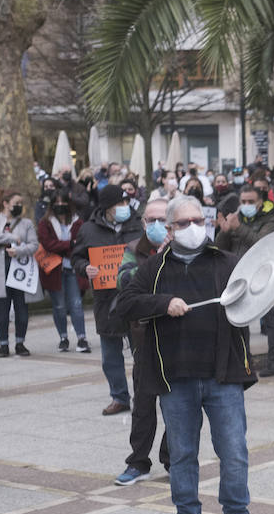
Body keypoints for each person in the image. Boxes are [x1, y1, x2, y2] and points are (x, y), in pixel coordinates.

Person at [115, 195, 257, 514]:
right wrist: (163, 303)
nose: (192, 228)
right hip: (175, 377)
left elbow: (253, 298)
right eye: (183, 223)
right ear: (170, 228)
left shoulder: (227, 262)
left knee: (234, 451)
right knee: (181, 454)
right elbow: (125, 303)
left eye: (198, 221)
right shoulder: (155, 268)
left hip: (222, 375)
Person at [112, 197, 172, 486]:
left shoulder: (186, 248)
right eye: (151, 220)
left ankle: (172, 458)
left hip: (179, 339)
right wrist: (157, 265)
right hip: (144, 339)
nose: (157, 225)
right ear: (143, 223)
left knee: (178, 406)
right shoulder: (134, 249)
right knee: (144, 406)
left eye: (163, 219)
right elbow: (123, 282)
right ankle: (138, 462)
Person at [72, 183, 143, 414]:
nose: (124, 207)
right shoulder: (88, 230)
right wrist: (86, 268)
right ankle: (119, 396)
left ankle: (144, 395)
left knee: (141, 351)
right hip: (105, 298)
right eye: (119, 204)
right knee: (110, 354)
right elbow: (77, 258)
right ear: (107, 208)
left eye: (125, 202)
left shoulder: (138, 223)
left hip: (135, 295)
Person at [214, 185, 274, 375]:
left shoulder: (271, 220)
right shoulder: (237, 219)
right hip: (238, 275)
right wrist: (225, 231)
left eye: (251, 202)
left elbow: (263, 244)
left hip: (261, 276)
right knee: (237, 320)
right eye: (243, 202)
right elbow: (221, 248)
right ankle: (244, 361)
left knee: (268, 319)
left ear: (260, 202)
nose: (246, 205)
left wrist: (239, 228)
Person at [0, 190, 39, 357]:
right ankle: (3, 344)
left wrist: (19, 250)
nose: (19, 206)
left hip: (20, 271)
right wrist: (10, 237)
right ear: (5, 204)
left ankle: (20, 342)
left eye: (21, 203)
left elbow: (34, 245)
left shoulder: (26, 223)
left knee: (21, 308)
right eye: (16, 203)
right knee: (1, 309)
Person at [36, 194, 89, 353]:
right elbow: (48, 244)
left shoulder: (77, 222)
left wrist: (63, 246)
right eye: (57, 202)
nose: (60, 204)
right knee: (59, 306)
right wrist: (69, 244)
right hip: (54, 270)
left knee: (76, 305)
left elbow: (80, 243)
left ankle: (82, 338)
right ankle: (63, 338)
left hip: (73, 269)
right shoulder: (45, 223)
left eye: (63, 201)